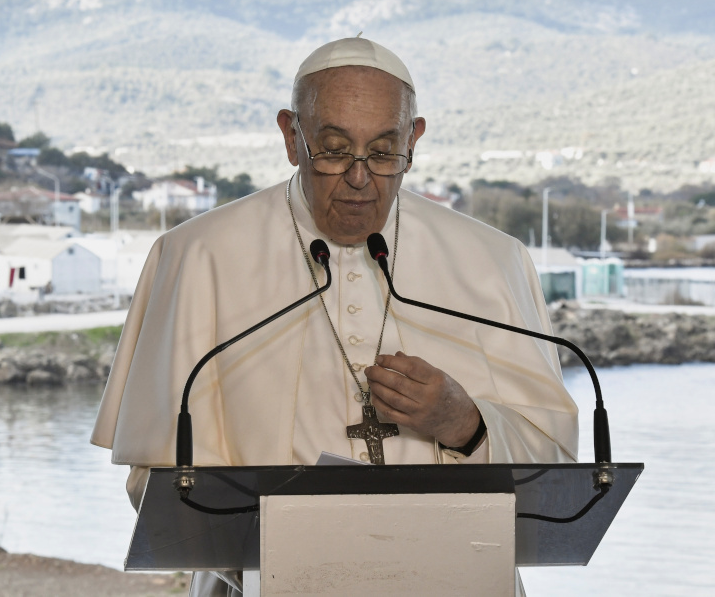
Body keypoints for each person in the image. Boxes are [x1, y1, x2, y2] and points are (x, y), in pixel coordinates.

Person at [91, 37, 578, 595]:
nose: (360, 177)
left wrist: (465, 425)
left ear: (414, 139)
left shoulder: (493, 261)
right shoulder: (198, 256)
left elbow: (557, 465)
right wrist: (289, 561)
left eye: (384, 150)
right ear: (291, 137)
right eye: (334, 148)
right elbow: (159, 477)